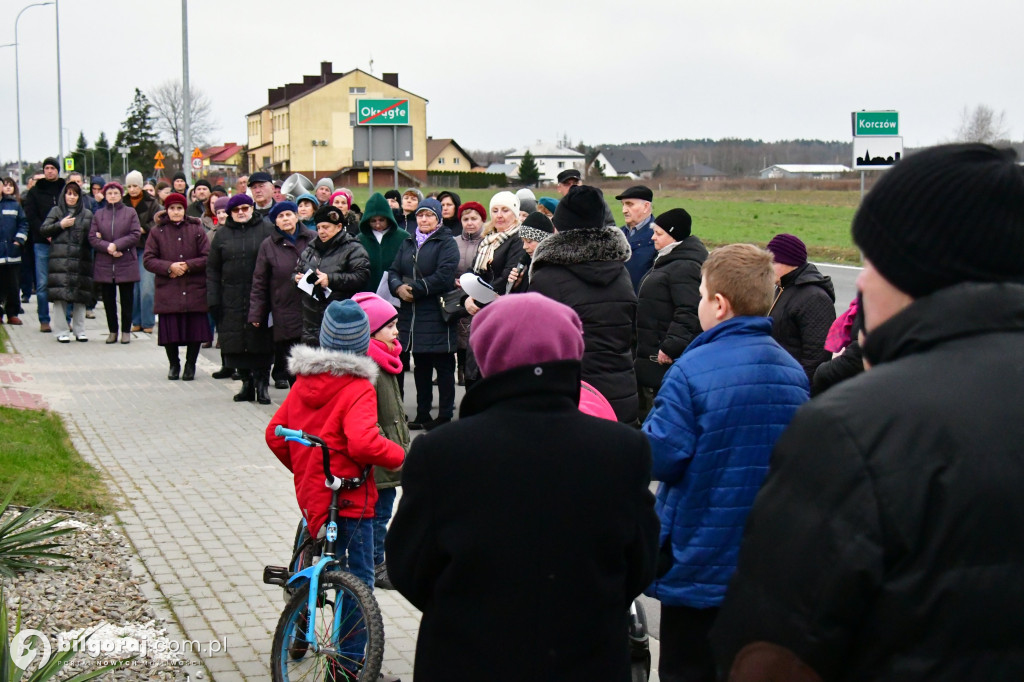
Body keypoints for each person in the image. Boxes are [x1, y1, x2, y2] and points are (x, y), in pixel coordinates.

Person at [711, 144, 1024, 682]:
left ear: (912, 269)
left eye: (871, 260)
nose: (864, 283)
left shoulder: (854, 428)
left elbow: (772, 652)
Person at [386, 292, 659, 682]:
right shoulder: (623, 449)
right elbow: (641, 563)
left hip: (468, 657)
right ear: (572, 353)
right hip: (587, 657)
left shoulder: (442, 452)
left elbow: (409, 566)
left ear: (487, 355)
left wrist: (466, 607)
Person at [641, 243, 809, 682]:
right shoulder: (792, 371)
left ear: (719, 304)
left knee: (688, 668)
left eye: (700, 295)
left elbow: (662, 456)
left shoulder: (692, 369)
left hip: (699, 553)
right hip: (763, 560)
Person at [266, 299, 405, 591]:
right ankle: (353, 638)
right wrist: (401, 456)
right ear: (362, 340)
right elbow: (363, 443)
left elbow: (275, 434)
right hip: (350, 495)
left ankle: (299, 623)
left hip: (313, 489)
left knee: (318, 560)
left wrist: (307, 466)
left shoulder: (304, 380)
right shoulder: (358, 386)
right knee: (359, 578)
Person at [530, 184, 639, 424]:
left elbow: (536, 346)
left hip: (573, 397)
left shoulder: (547, 277)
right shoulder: (621, 272)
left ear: (561, 228)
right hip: (621, 392)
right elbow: (631, 333)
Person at [351, 291, 409, 591]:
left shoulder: (384, 358)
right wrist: (393, 448)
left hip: (388, 454)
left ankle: (375, 559)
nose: (396, 331)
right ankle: (374, 563)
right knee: (377, 515)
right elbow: (370, 419)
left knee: (381, 512)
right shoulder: (368, 366)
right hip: (380, 459)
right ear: (372, 330)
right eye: (390, 326)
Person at [387, 198, 459, 430]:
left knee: (444, 366)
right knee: (421, 367)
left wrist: (415, 289)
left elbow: (445, 275)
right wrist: (398, 288)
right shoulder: (408, 242)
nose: (424, 219)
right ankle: (422, 413)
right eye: (421, 215)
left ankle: (445, 414)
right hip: (412, 315)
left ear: (438, 218)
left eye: (429, 215)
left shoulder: (446, 242)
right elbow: (394, 270)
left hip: (437, 313)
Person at [633, 208, 707, 416]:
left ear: (674, 235)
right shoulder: (668, 258)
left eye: (659, 233)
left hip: (664, 358)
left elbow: (690, 310)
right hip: (654, 352)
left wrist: (671, 346)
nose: (653, 237)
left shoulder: (685, 266)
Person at [207, 193, 275, 403]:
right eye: (236, 210)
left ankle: (262, 385)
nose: (241, 213)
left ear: (252, 209)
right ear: (230, 213)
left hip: (260, 296)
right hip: (231, 297)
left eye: (245, 208)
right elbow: (213, 269)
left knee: (261, 341)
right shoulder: (222, 235)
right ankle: (246, 384)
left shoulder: (267, 230)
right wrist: (213, 299)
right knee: (237, 344)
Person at [143, 193, 211, 380]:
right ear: (166, 210)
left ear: (184, 209)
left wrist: (188, 265)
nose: (175, 212)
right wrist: (168, 267)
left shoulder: (196, 229)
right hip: (169, 287)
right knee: (170, 330)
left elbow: (207, 257)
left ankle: (191, 364)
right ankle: (174, 364)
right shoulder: (157, 231)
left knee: (194, 331)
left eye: (179, 208)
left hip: (193, 287)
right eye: (172, 208)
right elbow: (148, 259)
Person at [250, 201, 315, 389]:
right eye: (280, 216)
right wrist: (256, 313)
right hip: (284, 309)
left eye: (289, 214)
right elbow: (259, 281)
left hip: (311, 308)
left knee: (312, 361)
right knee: (292, 361)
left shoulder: (313, 238)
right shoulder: (268, 246)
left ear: (296, 216)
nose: (285, 219)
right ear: (275, 222)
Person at [294, 203, 370, 348]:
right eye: (319, 228)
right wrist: (296, 279)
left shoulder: (353, 248)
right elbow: (297, 269)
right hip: (311, 322)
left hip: (339, 322)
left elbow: (362, 276)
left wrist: (330, 280)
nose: (321, 231)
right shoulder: (310, 249)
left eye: (326, 227)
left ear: (339, 226)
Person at [765, 233, 836, 383]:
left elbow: (816, 358)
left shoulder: (814, 298)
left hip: (794, 388)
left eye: (772, 262)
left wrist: (799, 390)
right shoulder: (782, 287)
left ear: (789, 262)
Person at [40, 182, 93, 342]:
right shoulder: (56, 211)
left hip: (81, 260)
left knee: (80, 296)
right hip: (60, 260)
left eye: (75, 194)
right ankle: (61, 331)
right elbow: (44, 229)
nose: (71, 197)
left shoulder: (87, 214)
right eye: (69, 194)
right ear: (64, 195)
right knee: (60, 296)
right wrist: (60, 225)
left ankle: (80, 330)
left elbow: (91, 236)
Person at [89, 182, 141, 344]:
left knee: (127, 299)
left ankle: (126, 330)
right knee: (108, 300)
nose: (112, 196)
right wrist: (108, 247)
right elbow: (92, 237)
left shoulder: (130, 212)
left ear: (121, 195)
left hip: (125, 260)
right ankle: (112, 331)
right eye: (109, 193)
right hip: (105, 262)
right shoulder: (99, 214)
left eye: (116, 193)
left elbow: (135, 234)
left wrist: (118, 245)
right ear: (105, 195)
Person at [22, 157, 66, 332]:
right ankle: (44, 319)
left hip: (63, 241)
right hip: (42, 243)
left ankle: (65, 319)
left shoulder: (65, 188)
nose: (49, 171)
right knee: (42, 284)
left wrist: (59, 232)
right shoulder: (35, 191)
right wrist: (46, 233)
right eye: (46, 168)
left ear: (57, 170)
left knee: (64, 281)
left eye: (52, 168)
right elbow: (31, 217)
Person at [124, 170, 161, 334]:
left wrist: (143, 228)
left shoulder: (152, 203)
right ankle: (136, 321)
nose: (132, 189)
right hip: (127, 248)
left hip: (146, 248)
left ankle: (148, 321)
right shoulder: (123, 202)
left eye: (135, 186)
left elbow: (158, 222)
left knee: (146, 287)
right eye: (129, 186)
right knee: (133, 289)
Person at [453, 202, 485, 384]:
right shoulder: (454, 242)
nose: (470, 223)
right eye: (466, 219)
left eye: (474, 219)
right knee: (460, 340)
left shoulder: (487, 242)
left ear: (482, 220)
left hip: (477, 298)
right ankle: (461, 369)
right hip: (457, 297)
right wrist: (452, 280)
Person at [357, 192, 409, 297]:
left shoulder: (403, 237)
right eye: (373, 221)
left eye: (382, 220)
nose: (377, 224)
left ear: (388, 218)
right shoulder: (360, 239)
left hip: (395, 296)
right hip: (367, 295)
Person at [470, 191, 524, 290]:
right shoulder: (487, 239)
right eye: (495, 211)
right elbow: (473, 270)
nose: (499, 215)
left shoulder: (519, 239)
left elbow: (507, 276)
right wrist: (466, 296)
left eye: (505, 210)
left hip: (501, 299)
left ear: (515, 214)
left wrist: (480, 297)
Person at [616, 185, 657, 292]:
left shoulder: (659, 236)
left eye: (630, 204)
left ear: (646, 207)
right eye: (623, 204)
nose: (624, 210)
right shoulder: (617, 235)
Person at [0, 178, 29, 325]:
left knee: (13, 286)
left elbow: (23, 224)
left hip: (12, 254)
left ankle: (12, 313)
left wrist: (19, 240)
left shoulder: (13, 205)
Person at [505, 211, 553, 293]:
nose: (524, 246)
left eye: (529, 241)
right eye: (523, 241)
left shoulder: (552, 270)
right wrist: (516, 286)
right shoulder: (528, 264)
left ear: (544, 242)